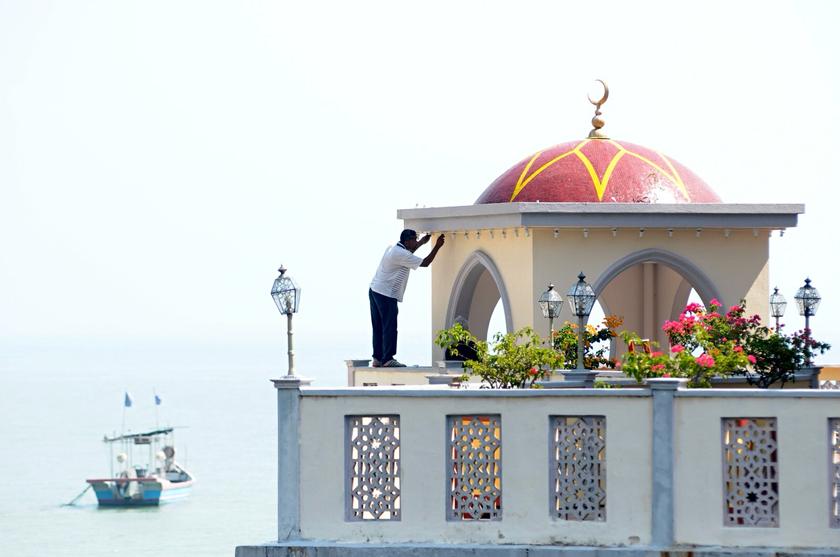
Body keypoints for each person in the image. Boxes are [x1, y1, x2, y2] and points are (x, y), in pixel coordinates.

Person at [369, 229, 445, 367]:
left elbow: (407, 256)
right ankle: (387, 359)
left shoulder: (394, 249)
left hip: (375, 290)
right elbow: (426, 262)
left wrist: (422, 243)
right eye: (414, 240)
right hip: (386, 294)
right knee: (389, 326)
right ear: (407, 241)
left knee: (378, 327)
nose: (416, 242)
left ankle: (377, 358)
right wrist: (437, 246)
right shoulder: (400, 253)